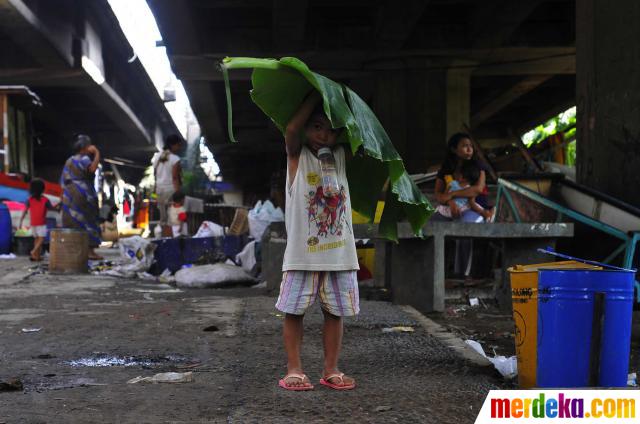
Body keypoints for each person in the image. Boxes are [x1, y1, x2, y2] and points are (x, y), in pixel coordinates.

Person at [276, 91, 359, 391]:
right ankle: (294, 369)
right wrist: (314, 91)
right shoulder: (297, 155)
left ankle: (331, 369)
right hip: (303, 254)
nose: (324, 135)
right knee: (293, 311)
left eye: (330, 128)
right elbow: (292, 130)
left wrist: (337, 99)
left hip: (339, 255)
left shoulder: (340, 155)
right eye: (317, 126)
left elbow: (357, 129)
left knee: (335, 313)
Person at [433, 133, 493, 277]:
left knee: (464, 230)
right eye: (465, 146)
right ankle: (430, 271)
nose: (469, 149)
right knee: (427, 227)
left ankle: (461, 274)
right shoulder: (446, 170)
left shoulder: (478, 166)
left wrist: (452, 195)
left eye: (471, 146)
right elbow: (438, 194)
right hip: (449, 209)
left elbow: (477, 189)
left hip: (474, 208)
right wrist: (450, 202)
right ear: (454, 149)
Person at [60, 134, 103, 260]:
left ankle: (75, 251)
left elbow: (63, 180)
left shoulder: (69, 160)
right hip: (83, 194)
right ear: (85, 147)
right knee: (89, 221)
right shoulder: (84, 159)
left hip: (69, 193)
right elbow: (92, 169)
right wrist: (96, 153)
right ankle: (90, 251)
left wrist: (62, 197)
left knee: (73, 221)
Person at [152, 134, 183, 237]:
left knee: (163, 218)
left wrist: (154, 195)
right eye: (178, 145)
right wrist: (179, 193)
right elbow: (175, 177)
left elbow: (155, 176)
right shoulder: (175, 159)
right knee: (173, 217)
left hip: (159, 191)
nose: (179, 148)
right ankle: (170, 239)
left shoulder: (157, 157)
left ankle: (163, 239)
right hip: (171, 191)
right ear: (172, 145)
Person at [19, 179, 57, 261]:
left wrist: (21, 221)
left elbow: (25, 211)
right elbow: (52, 208)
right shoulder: (45, 200)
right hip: (41, 223)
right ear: (42, 189)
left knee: (36, 239)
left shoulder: (29, 200)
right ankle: (34, 251)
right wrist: (58, 206)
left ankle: (36, 256)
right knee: (41, 239)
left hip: (33, 223)